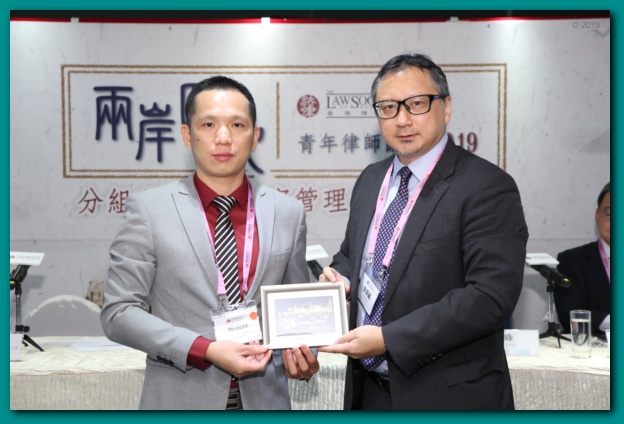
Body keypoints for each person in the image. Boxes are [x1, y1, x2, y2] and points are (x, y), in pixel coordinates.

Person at [318, 53, 529, 410]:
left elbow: (490, 296)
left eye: (416, 104)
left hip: (448, 396)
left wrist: (389, 339)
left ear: (446, 108)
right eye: (388, 107)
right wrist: (341, 278)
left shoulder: (487, 186)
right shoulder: (370, 180)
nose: (402, 119)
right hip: (369, 392)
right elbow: (353, 255)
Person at [101, 76, 319, 410]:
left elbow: (295, 311)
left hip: (265, 401)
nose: (223, 137)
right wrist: (205, 349)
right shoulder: (149, 210)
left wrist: (303, 353)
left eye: (237, 124)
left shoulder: (288, 212)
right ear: (187, 135)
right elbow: (119, 312)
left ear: (255, 136)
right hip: (180, 399)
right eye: (208, 124)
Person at [554, 182, 610, 337]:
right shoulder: (571, 261)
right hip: (595, 349)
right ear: (597, 215)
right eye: (610, 214)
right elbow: (569, 316)